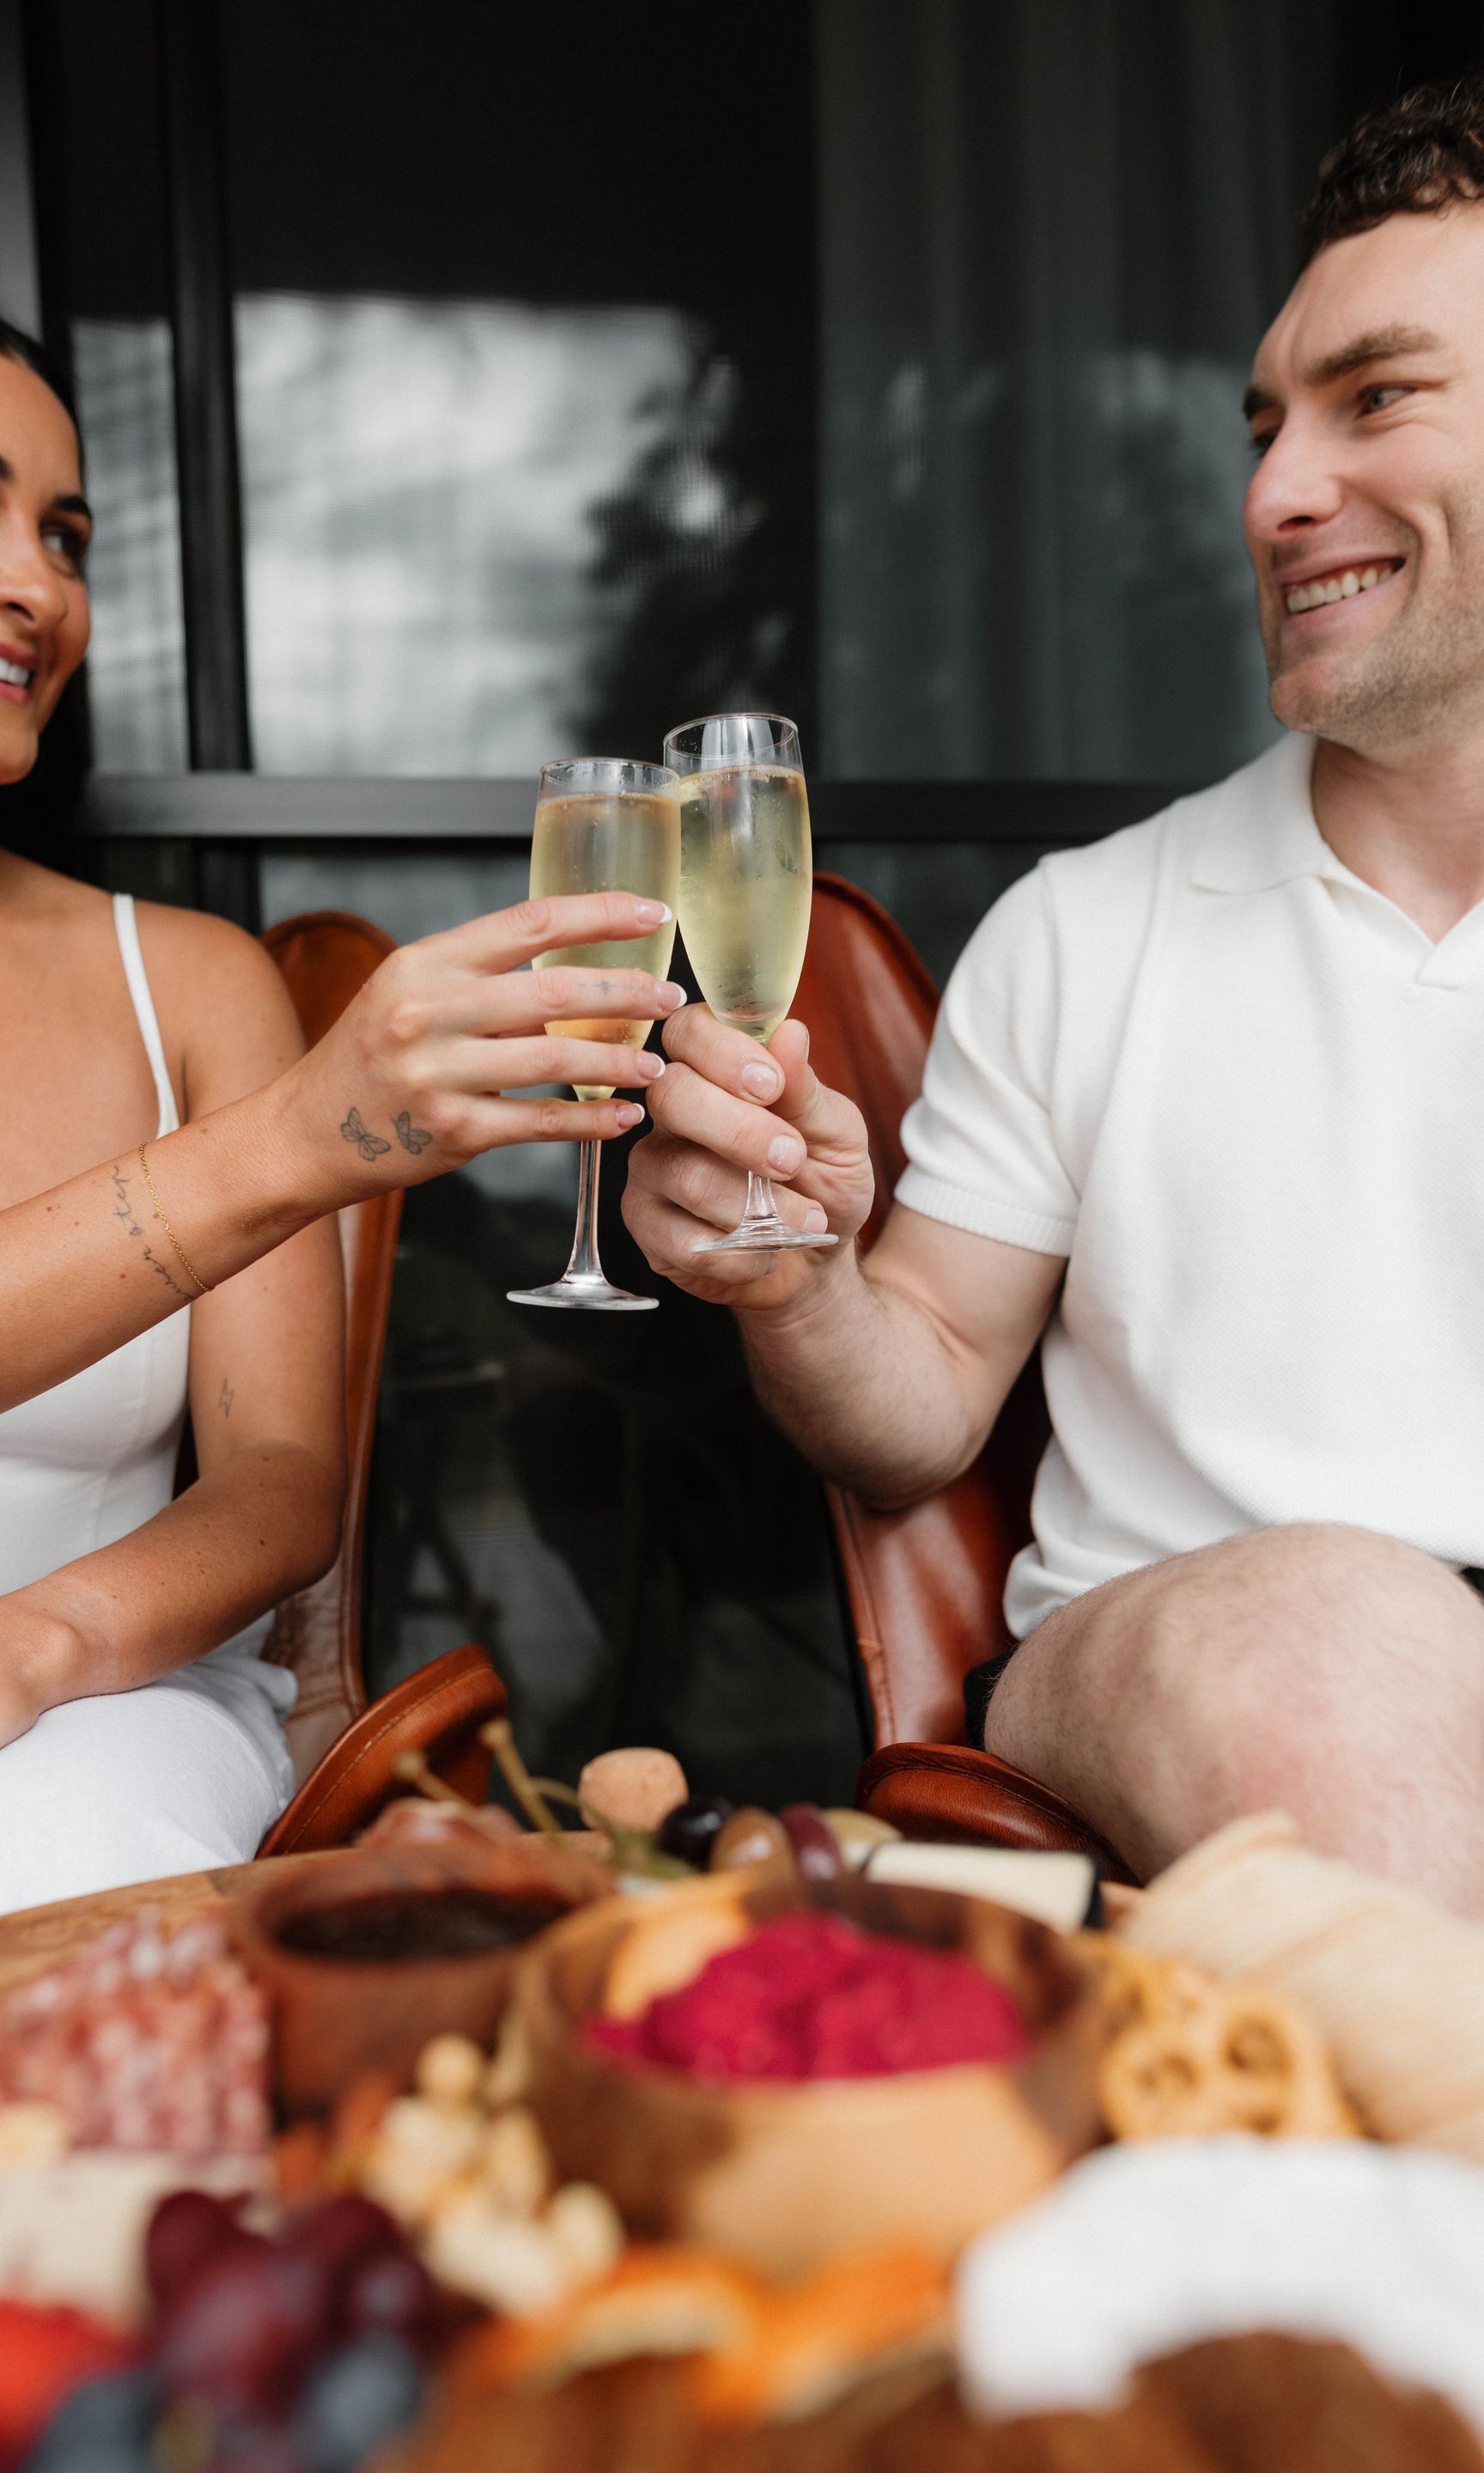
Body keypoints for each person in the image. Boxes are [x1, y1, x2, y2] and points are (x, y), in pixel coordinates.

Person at [624, 77, 1484, 1916]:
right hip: (1200, 1634)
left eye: (1376, 397)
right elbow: (917, 1403)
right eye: (1265, 424)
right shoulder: (1095, 928)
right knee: (1347, 1642)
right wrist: (802, 1286)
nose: (1272, 493)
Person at [0, 272, 681, 1954]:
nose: (38, 584)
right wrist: (289, 1145)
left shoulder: (193, 982)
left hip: (98, 1698)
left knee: (38, 1914)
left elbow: (282, 1483)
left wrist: (12, 1654)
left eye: (68, 534)